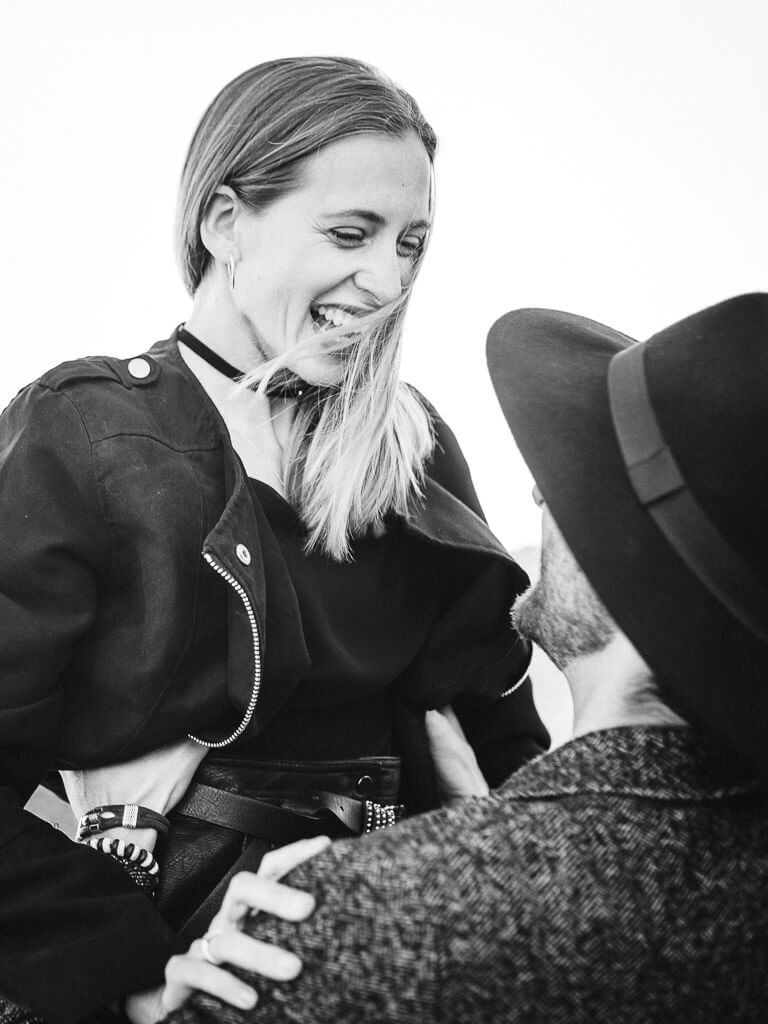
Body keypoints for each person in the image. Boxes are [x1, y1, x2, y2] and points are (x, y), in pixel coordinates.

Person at [0, 58, 548, 1024]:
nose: (388, 278)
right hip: (169, 962)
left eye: (412, 242)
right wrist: (130, 980)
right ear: (224, 223)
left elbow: (502, 746)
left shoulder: (414, 446)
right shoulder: (82, 434)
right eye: (351, 233)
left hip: (402, 956)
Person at [162, 293, 768, 1022]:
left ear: (645, 580)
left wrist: (125, 864)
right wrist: (492, 831)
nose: (543, 493)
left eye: (588, 492)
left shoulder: (340, 933)